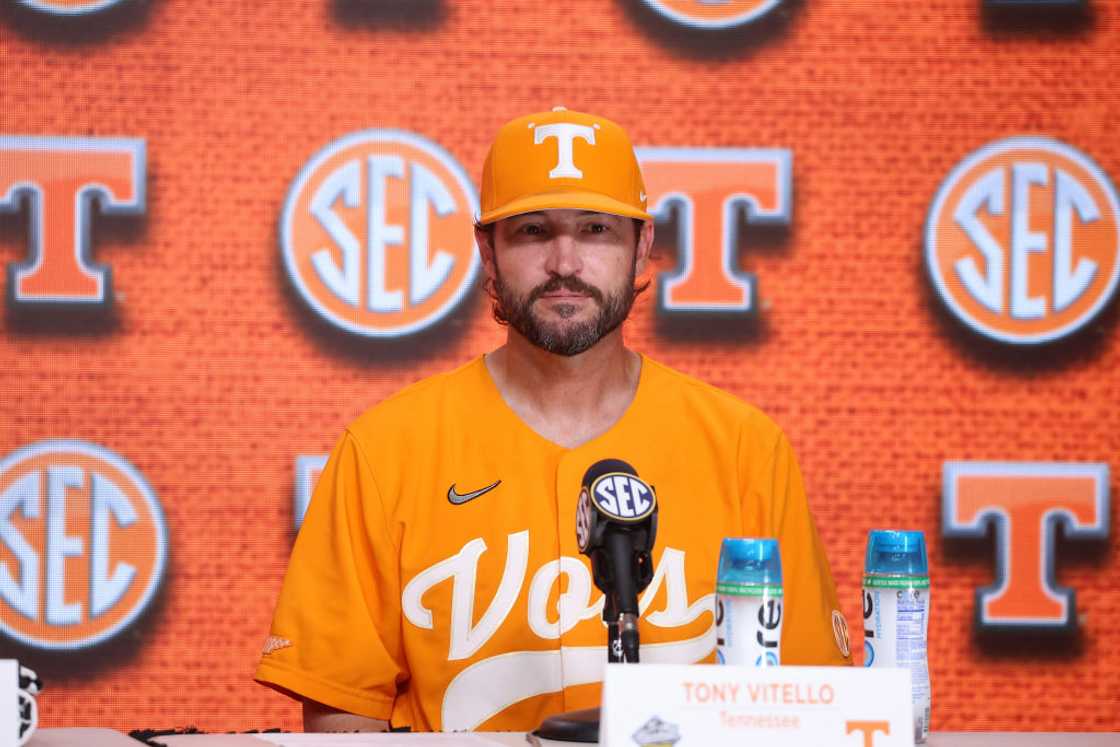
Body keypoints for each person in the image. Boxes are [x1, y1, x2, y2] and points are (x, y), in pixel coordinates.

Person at [254, 107, 851, 734]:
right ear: (488, 251)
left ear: (641, 245)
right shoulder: (384, 451)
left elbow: (808, 701)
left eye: (595, 229)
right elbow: (342, 712)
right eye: (533, 231)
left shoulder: (744, 449)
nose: (565, 262)